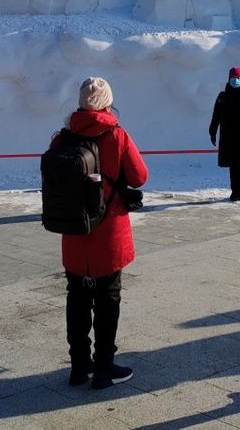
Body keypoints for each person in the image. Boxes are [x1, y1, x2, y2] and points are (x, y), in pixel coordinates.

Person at [56, 77, 149, 389]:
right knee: (107, 299)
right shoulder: (117, 134)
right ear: (108, 103)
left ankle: (79, 367)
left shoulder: (63, 138)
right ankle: (105, 367)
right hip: (108, 234)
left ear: (82, 104)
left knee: (77, 299)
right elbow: (140, 175)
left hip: (74, 232)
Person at [208, 66, 240, 201]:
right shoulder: (223, 96)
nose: (235, 80)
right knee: (233, 165)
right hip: (228, 137)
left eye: (238, 78)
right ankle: (234, 191)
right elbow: (216, 115)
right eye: (233, 78)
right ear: (229, 79)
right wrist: (212, 131)